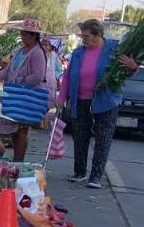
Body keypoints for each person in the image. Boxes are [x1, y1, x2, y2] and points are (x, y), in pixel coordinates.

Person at [58, 19, 138, 189]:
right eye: (82, 36)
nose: (83, 39)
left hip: (106, 101)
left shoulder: (114, 50)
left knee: (103, 138)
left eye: (86, 36)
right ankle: (79, 172)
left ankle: (95, 176)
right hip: (80, 100)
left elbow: (126, 70)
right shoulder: (79, 52)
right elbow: (67, 76)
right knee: (80, 137)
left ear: (97, 35)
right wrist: (61, 98)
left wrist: (132, 67)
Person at [0, 19, 50, 161]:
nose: (23, 38)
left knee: (22, 131)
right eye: (22, 35)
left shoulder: (37, 53)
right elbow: (8, 70)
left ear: (33, 36)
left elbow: (37, 76)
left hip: (25, 97)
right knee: (15, 130)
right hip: (15, 95)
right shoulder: (21, 51)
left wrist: (19, 81)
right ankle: (16, 160)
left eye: (25, 35)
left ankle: (19, 162)